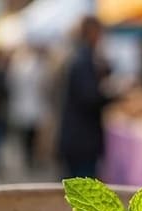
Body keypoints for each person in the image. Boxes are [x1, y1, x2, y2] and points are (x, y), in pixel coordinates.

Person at [57, 16, 113, 179]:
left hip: (75, 137)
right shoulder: (82, 59)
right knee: (83, 190)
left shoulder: (76, 56)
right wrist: (112, 96)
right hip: (82, 139)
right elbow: (89, 97)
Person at [7, 46, 47, 171]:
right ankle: (30, 158)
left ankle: (29, 158)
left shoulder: (19, 68)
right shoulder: (30, 68)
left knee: (28, 136)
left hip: (28, 107)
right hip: (29, 107)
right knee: (29, 136)